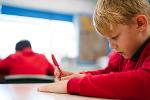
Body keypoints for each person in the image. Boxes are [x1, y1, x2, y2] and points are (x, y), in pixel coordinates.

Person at [38, 0, 150, 99]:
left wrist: (73, 85)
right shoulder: (123, 53)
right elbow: (109, 73)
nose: (111, 46)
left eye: (115, 37)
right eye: (108, 39)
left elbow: (144, 82)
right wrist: (81, 76)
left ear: (140, 23)